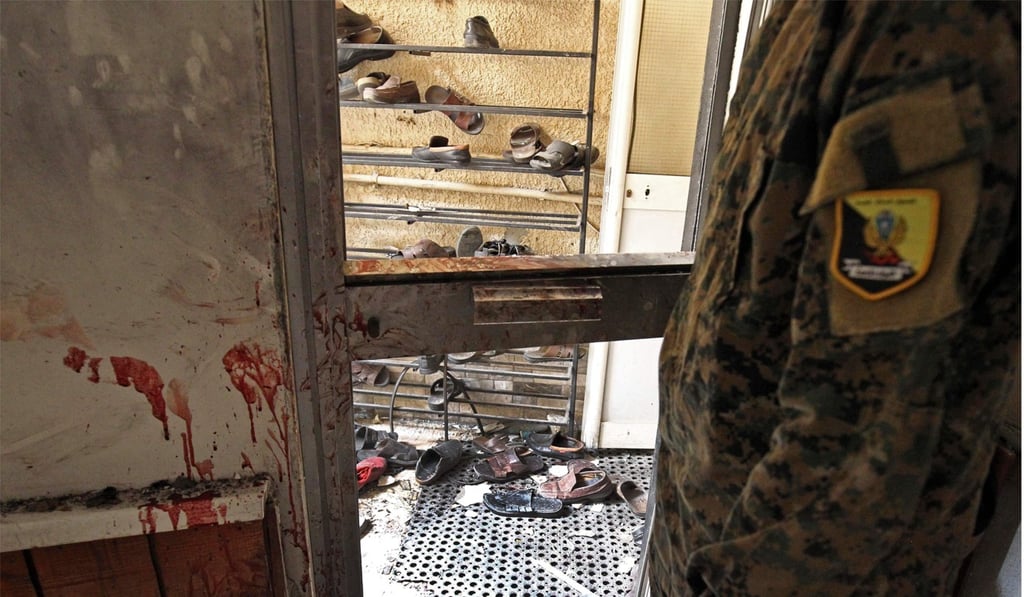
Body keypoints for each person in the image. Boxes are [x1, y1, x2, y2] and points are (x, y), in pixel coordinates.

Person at [650, 1, 1020, 595]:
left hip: (778, 573)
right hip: (707, 535)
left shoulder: (921, 28)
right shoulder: (805, 16)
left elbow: (862, 435)